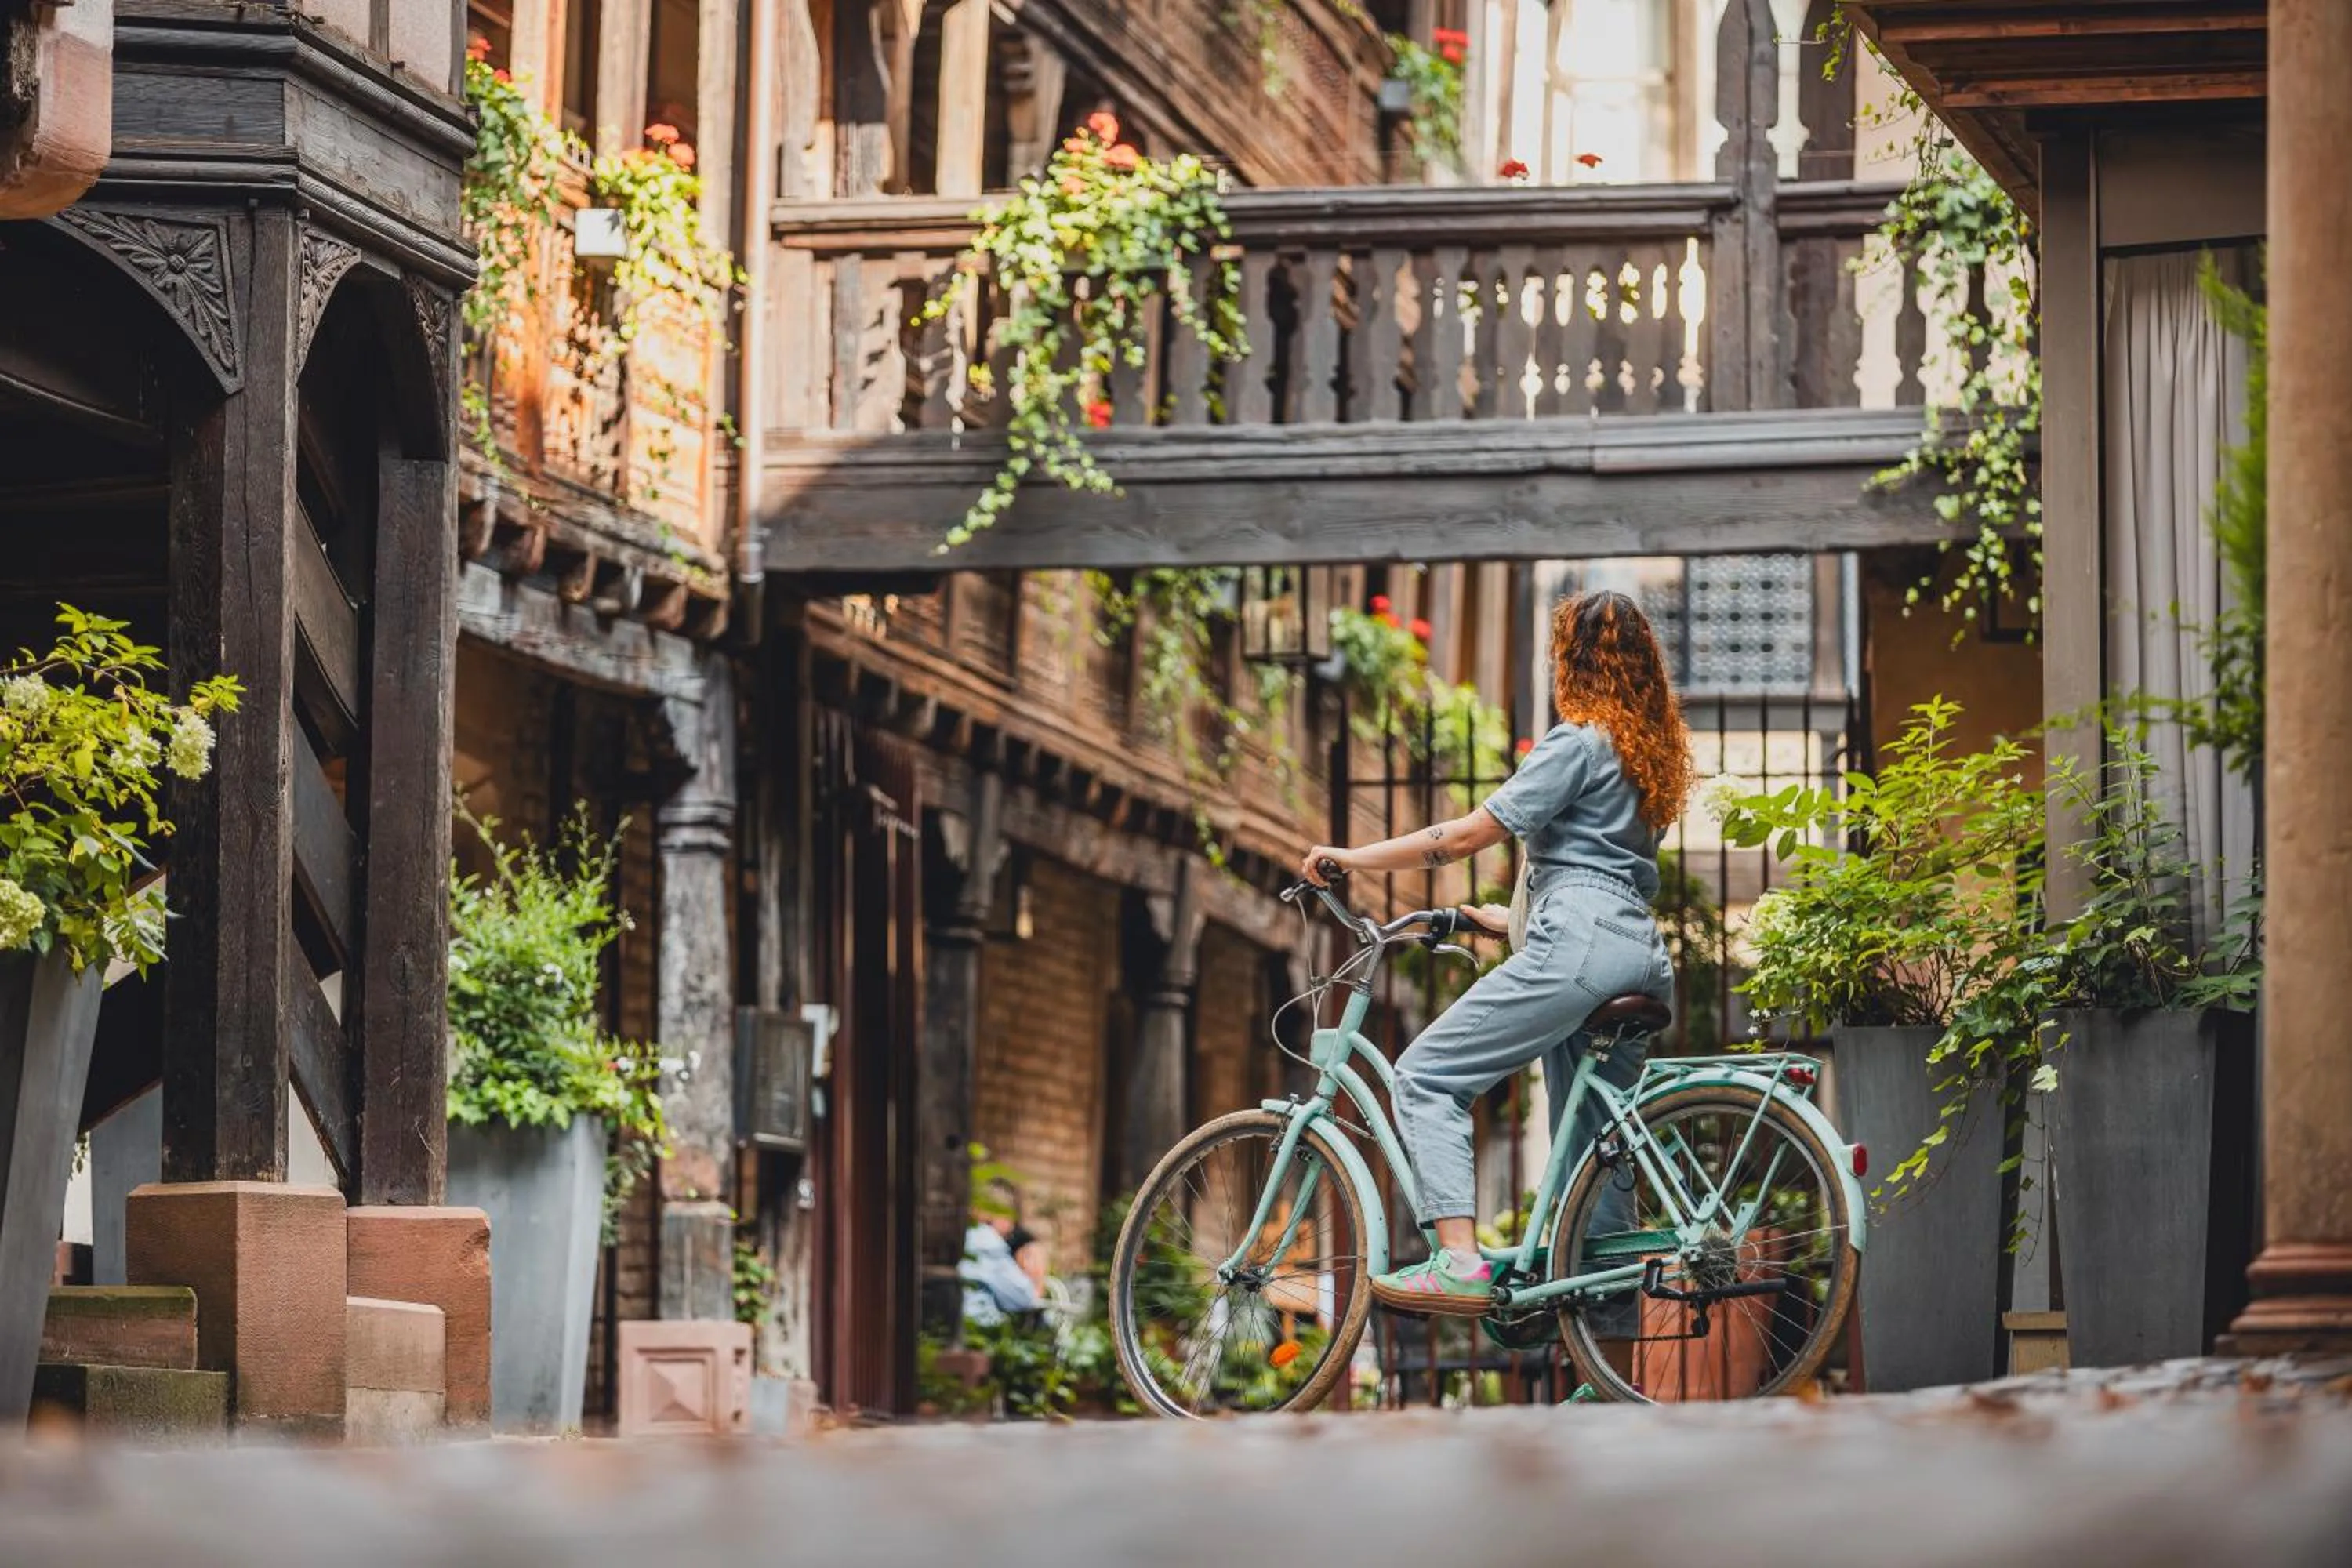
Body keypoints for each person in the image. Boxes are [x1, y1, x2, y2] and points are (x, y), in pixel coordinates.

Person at [1298, 589, 1690, 1314]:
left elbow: (1471, 835)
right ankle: (1607, 1368)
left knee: (1427, 1076)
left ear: (1569, 660)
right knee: (1592, 1158)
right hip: (1635, 950)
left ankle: (1457, 1261)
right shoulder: (1648, 759)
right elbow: (1598, 873)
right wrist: (1501, 922)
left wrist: (1355, 857)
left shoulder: (1579, 741)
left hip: (1578, 946)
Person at [960, 1181, 1043, 1328]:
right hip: (977, 1329)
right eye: (1011, 1216)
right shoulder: (988, 1242)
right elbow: (1024, 1300)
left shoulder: (963, 1236)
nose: (1013, 1226)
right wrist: (1035, 1283)